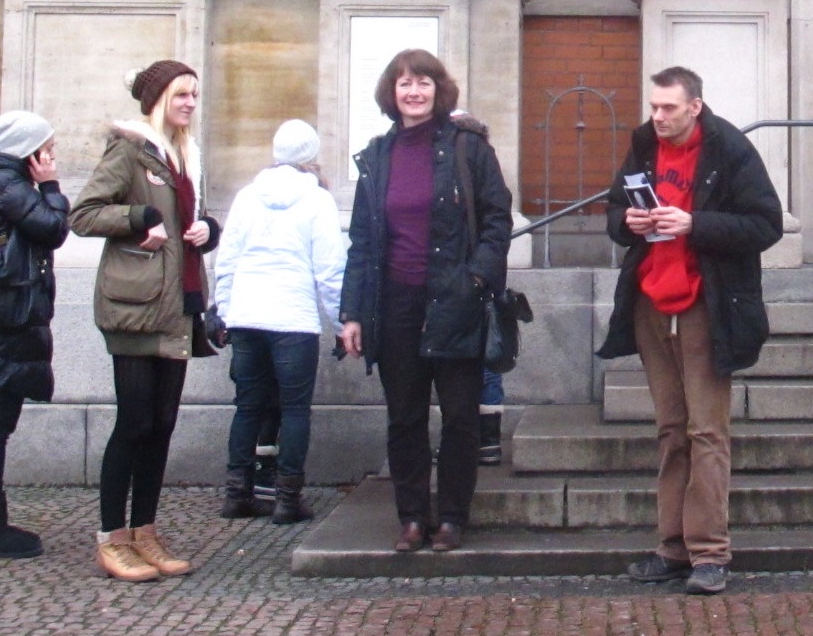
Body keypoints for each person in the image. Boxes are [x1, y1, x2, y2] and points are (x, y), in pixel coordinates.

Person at [598, 67, 783, 597]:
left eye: (669, 108)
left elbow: (765, 224)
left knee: (707, 431)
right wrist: (626, 222)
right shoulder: (644, 146)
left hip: (707, 304)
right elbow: (614, 208)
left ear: (694, 106)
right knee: (671, 430)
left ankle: (710, 553)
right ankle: (672, 547)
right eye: (654, 107)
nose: (658, 116)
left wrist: (694, 223)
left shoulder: (730, 150)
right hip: (651, 302)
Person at [339, 50, 513, 553]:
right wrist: (352, 313)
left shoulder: (468, 148)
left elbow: (497, 220)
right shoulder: (377, 156)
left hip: (455, 302)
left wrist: (475, 278)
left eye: (423, 83)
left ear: (439, 90)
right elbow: (362, 242)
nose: (413, 92)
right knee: (405, 417)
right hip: (395, 306)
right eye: (404, 84)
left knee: (459, 416)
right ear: (390, 93)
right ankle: (412, 517)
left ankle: (453, 516)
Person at [71, 60, 221, 581]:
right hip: (135, 307)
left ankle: (145, 532)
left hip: (178, 304)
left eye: (194, 95)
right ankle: (111, 539)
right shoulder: (130, 150)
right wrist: (137, 218)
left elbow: (185, 222)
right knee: (134, 423)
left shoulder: (185, 155)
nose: (190, 103)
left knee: (161, 424)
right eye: (181, 94)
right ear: (158, 99)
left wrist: (207, 229)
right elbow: (83, 214)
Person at [213, 120, 345, 525]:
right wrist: (342, 324)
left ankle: (237, 494)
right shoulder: (318, 200)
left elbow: (227, 260)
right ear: (312, 156)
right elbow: (330, 271)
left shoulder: (247, 196)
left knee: (247, 407)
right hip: (293, 319)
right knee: (295, 410)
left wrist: (224, 310)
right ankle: (288, 499)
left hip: (247, 315)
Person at [0, 112, 70, 559]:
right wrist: (51, 186)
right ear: (28, 150)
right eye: (46, 148)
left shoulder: (1, 184)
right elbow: (54, 228)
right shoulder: (9, 186)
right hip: (5, 323)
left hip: (2, 321)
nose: (51, 155)